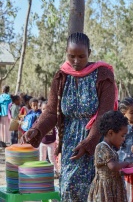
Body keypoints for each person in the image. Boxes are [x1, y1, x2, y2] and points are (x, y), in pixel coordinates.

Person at [21, 32, 117, 201]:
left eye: (81, 56)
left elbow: (105, 114)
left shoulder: (103, 75)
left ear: (90, 53)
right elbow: (51, 111)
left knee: (94, 191)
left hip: (96, 143)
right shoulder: (61, 76)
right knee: (68, 187)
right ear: (66, 52)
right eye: (71, 56)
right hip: (70, 145)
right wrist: (36, 130)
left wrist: (89, 142)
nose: (76, 61)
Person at [88, 111, 131, 202]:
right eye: (122, 135)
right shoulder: (102, 147)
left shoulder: (111, 148)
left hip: (114, 185)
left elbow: (113, 170)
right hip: (105, 189)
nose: (124, 139)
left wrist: (125, 171)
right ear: (111, 133)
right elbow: (113, 166)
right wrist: (126, 163)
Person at [39, 101, 59, 178]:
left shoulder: (52, 118)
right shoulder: (40, 118)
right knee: (42, 157)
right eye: (43, 109)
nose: (45, 110)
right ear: (41, 109)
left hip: (51, 141)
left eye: (46, 109)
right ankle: (41, 171)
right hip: (42, 141)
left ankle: (56, 171)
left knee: (51, 157)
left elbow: (57, 127)